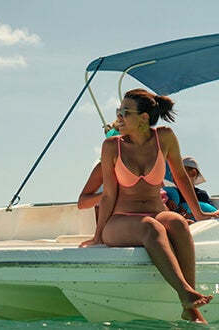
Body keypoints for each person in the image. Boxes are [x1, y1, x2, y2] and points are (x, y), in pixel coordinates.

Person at [79, 88, 219, 323]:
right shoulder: (112, 146)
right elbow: (108, 194)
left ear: (144, 118)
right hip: (121, 220)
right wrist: (98, 235)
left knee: (176, 222)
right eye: (118, 111)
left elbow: (181, 178)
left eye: (125, 112)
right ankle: (185, 293)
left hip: (157, 212)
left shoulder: (164, 137)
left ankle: (190, 308)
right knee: (150, 227)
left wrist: (199, 214)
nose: (119, 118)